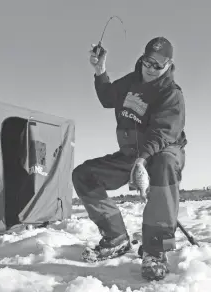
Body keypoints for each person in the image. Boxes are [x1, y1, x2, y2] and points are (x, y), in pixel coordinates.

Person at [72, 36, 187, 281]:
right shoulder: (130, 82)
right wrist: (100, 70)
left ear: (168, 64)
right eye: (148, 61)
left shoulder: (171, 93)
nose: (151, 68)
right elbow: (107, 98)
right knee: (84, 175)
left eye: (158, 64)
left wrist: (143, 160)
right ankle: (116, 237)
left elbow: (163, 131)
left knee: (164, 164)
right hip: (132, 155)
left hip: (162, 150)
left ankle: (155, 251)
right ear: (142, 57)